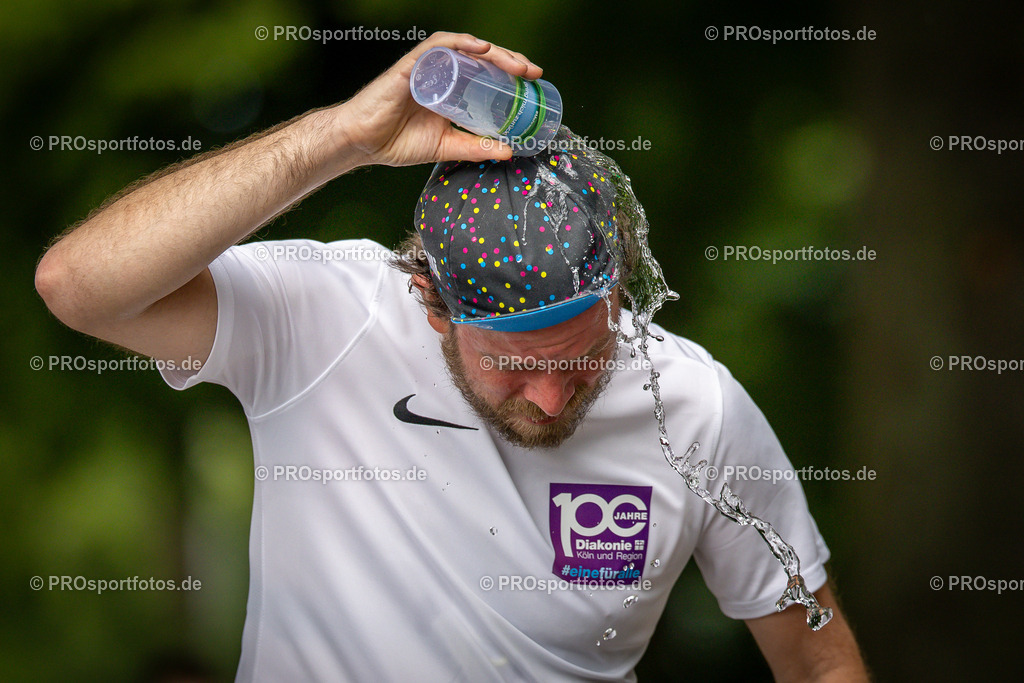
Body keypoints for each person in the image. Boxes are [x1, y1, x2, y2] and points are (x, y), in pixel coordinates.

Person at [36, 31, 869, 682]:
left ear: (618, 297)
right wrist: (344, 136)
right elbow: (79, 285)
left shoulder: (695, 405)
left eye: (581, 361)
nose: (548, 401)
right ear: (431, 304)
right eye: (514, 364)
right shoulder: (330, 317)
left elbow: (818, 656)